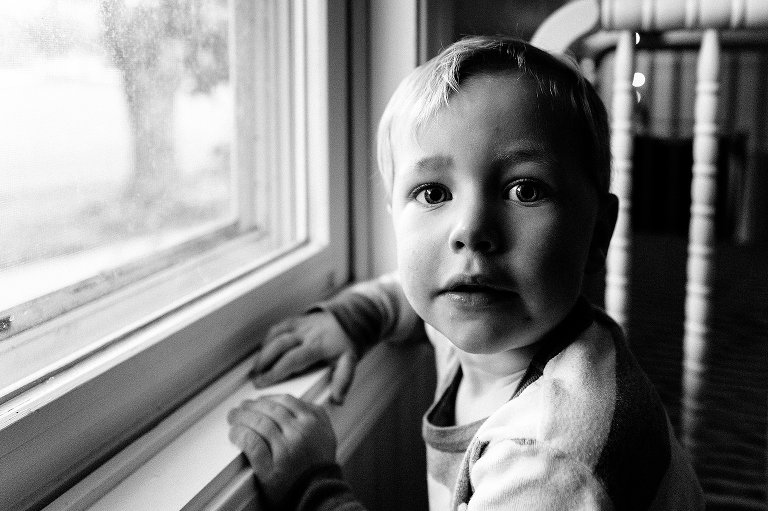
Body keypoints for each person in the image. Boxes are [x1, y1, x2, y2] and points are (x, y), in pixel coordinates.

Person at [227, 36, 704, 510]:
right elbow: (404, 295)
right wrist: (351, 320)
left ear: (597, 233)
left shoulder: (550, 458)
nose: (471, 230)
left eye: (524, 190)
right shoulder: (485, 310)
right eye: (433, 193)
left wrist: (310, 485)